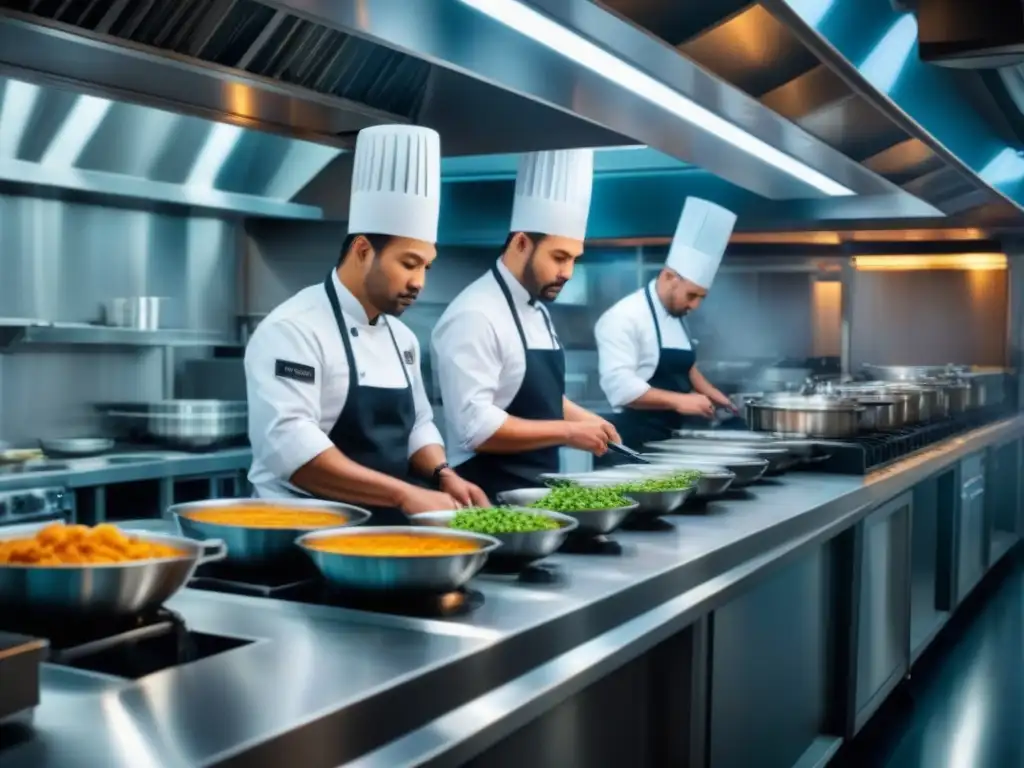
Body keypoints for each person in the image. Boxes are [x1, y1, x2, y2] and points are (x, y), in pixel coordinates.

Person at [245, 124, 487, 523]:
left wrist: (444, 474)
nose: (419, 282)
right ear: (362, 251)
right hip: (303, 532)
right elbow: (293, 451)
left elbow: (418, 425)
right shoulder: (293, 330)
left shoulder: (402, 338)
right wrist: (404, 494)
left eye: (426, 266)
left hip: (382, 527)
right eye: (408, 263)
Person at [430, 149, 620, 499]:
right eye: (559, 257)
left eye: (574, 259)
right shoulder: (475, 315)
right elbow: (477, 429)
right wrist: (566, 432)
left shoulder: (537, 307)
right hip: (489, 497)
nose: (567, 272)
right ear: (521, 243)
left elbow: (541, 396)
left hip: (536, 493)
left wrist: (587, 421)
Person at [594, 197, 737, 453]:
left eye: (701, 298)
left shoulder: (676, 312)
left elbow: (683, 365)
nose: (695, 306)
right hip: (635, 441)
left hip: (670, 438)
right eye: (692, 295)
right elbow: (620, 388)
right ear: (669, 277)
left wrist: (710, 391)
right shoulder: (623, 317)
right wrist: (681, 400)